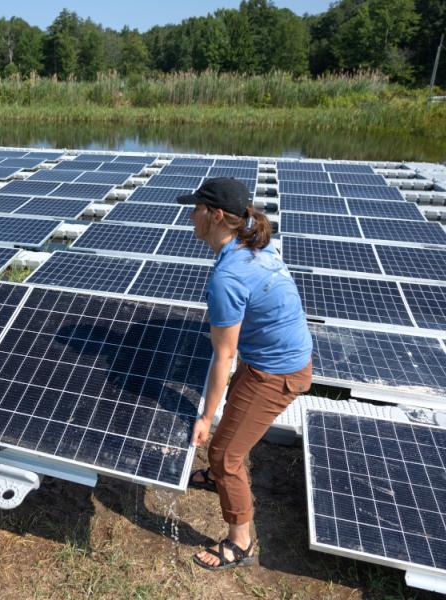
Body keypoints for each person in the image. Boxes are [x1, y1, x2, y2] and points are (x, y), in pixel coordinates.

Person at [177, 177, 312, 570]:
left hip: (276, 371)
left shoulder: (228, 276)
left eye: (197, 209)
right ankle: (220, 478)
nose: (191, 215)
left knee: (223, 452)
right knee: (232, 432)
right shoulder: (251, 244)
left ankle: (240, 542)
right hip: (274, 358)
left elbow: (224, 355)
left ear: (216, 216)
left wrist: (205, 417)